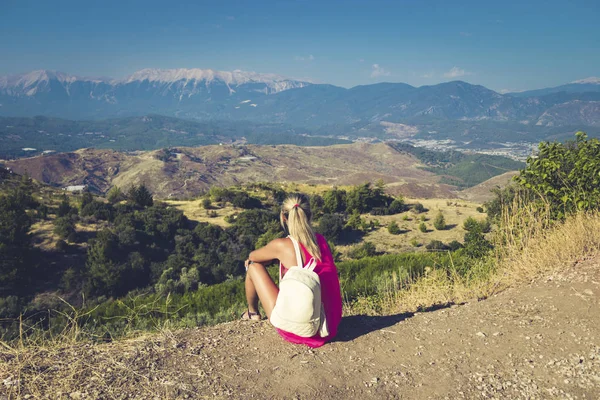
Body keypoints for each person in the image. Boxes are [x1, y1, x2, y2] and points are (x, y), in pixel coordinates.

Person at [243, 194, 342, 347]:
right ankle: (252, 313)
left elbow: (253, 256)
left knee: (253, 266)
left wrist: (274, 257)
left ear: (283, 217)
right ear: (310, 215)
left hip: (298, 329)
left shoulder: (282, 245)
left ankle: (252, 313)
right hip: (329, 325)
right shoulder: (321, 241)